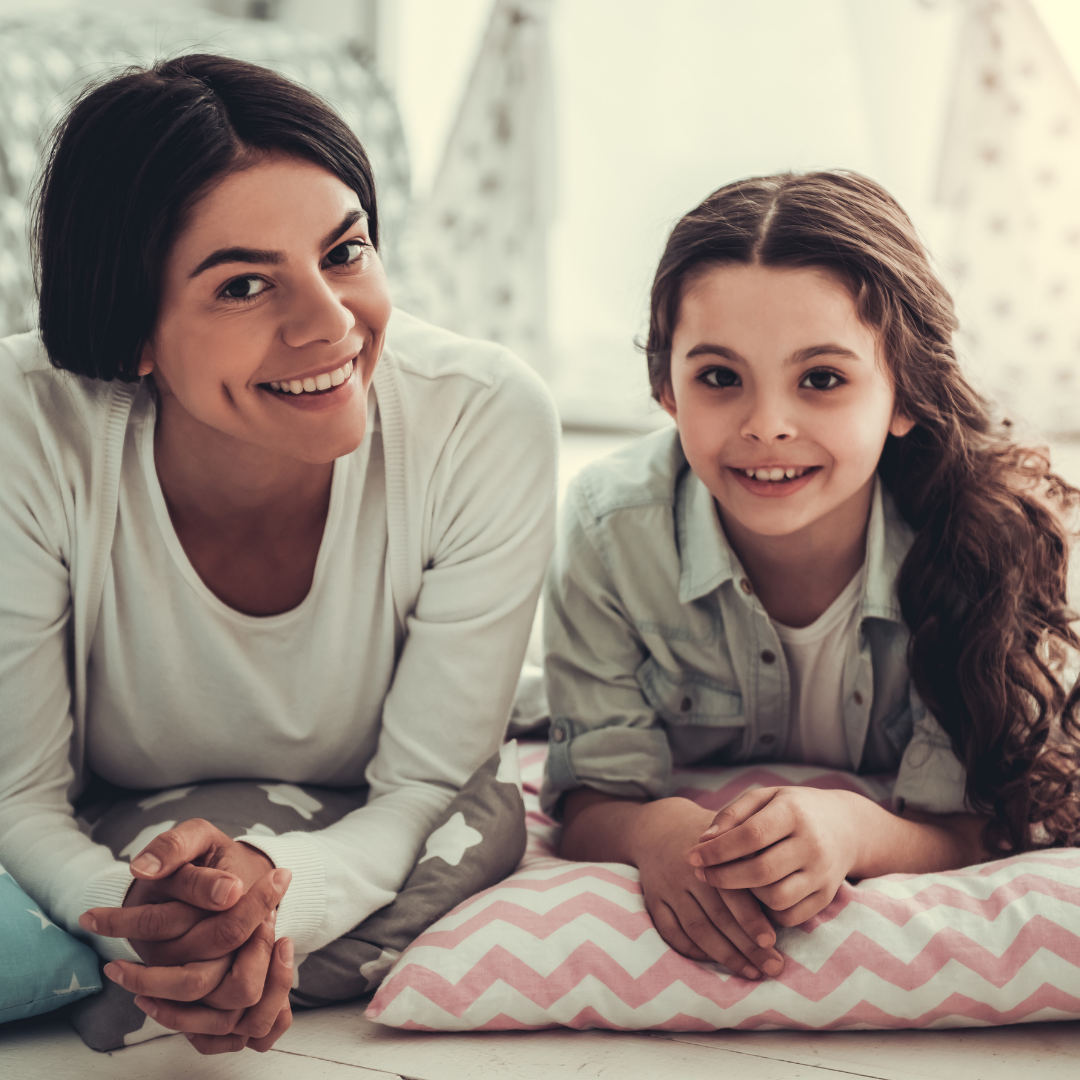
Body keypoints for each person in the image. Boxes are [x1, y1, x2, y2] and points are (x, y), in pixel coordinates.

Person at [0, 55, 558, 1054]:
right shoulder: (26, 430)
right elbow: (18, 795)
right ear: (133, 330)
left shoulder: (483, 418)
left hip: (351, 827)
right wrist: (141, 920)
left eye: (344, 254)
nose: (330, 325)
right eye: (246, 284)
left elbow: (423, 795)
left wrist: (264, 918)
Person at [541, 171, 1080, 983]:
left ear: (905, 393)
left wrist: (859, 832)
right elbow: (587, 798)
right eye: (719, 377)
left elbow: (998, 820)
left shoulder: (986, 545)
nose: (767, 426)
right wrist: (656, 833)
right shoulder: (607, 530)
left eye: (822, 379)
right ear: (666, 387)